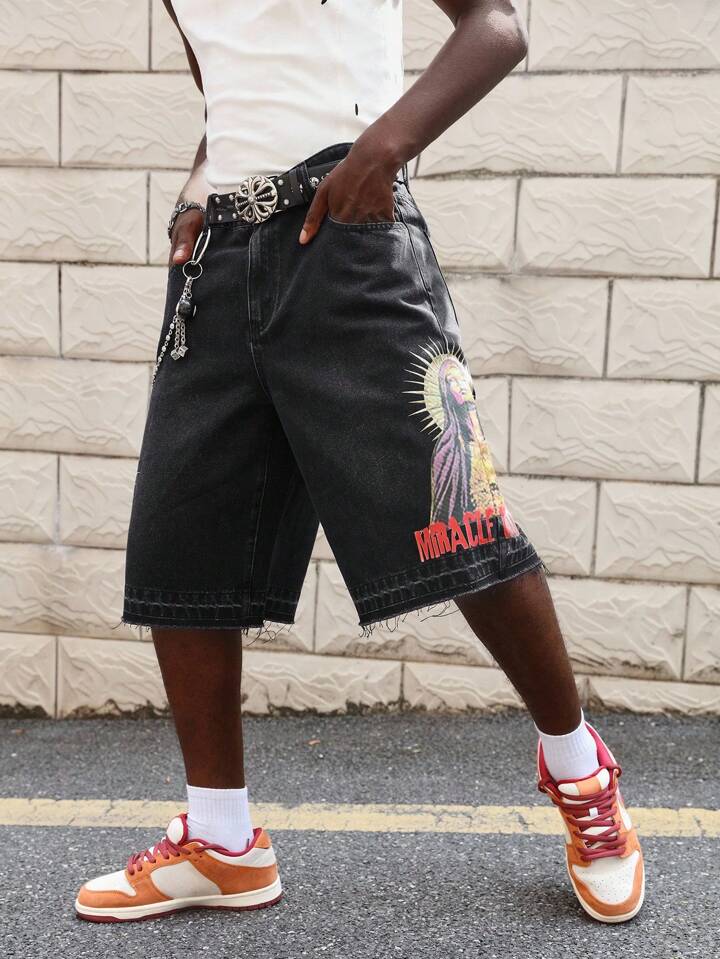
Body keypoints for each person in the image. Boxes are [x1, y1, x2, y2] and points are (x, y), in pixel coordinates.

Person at [74, 0, 644, 925]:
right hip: (220, 253)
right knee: (182, 541)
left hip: (347, 235)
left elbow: (496, 25)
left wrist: (383, 151)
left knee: (461, 521)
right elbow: (230, 92)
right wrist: (196, 189)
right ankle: (223, 842)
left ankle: (582, 772)